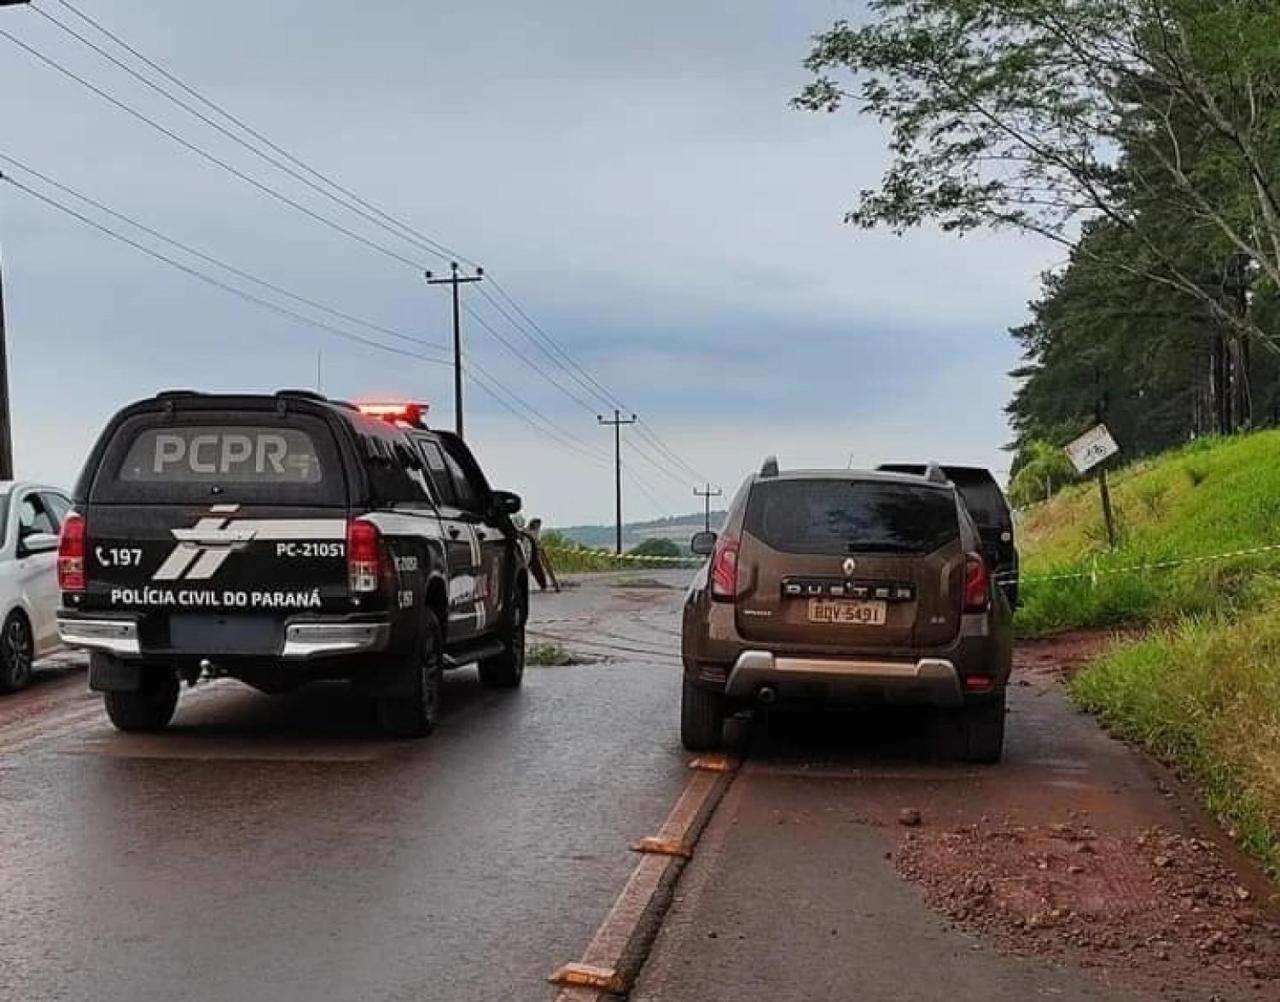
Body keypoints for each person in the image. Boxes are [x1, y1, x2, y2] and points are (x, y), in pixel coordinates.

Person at [523, 518, 561, 593]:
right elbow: (545, 561)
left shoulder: (529, 534)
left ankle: (546, 584)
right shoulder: (529, 535)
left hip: (531, 557)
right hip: (528, 556)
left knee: (542, 580)